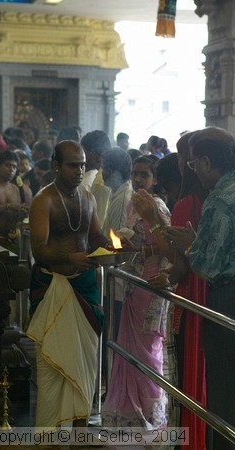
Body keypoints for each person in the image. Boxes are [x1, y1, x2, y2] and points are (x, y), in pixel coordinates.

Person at [26, 140, 109, 430]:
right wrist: (70, 257)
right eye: (73, 165)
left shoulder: (88, 197)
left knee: (84, 370)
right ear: (56, 166)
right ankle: (49, 438)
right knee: (51, 371)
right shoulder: (44, 200)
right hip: (54, 287)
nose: (79, 170)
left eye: (83, 164)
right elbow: (40, 249)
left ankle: (79, 436)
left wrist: (112, 247)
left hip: (84, 288)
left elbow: (96, 236)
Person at [134, 132, 208, 449]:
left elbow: (177, 262)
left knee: (190, 373)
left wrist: (151, 219)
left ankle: (190, 438)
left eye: (185, 159)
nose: (183, 164)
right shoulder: (213, 198)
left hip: (192, 293)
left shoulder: (186, 204)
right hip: (209, 293)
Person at [164, 126, 235, 450]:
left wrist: (191, 244)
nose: (192, 171)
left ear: (207, 162)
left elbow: (207, 268)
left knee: (223, 390)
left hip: (227, 298)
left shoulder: (219, 199)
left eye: (193, 165)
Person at [102, 155, 170, 430]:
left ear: (155, 180)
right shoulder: (132, 204)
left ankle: (151, 410)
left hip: (152, 285)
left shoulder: (158, 207)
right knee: (128, 349)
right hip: (133, 284)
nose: (139, 179)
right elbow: (132, 239)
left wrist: (139, 249)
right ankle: (127, 412)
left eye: (145, 175)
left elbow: (169, 247)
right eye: (135, 174)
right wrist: (122, 244)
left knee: (148, 350)